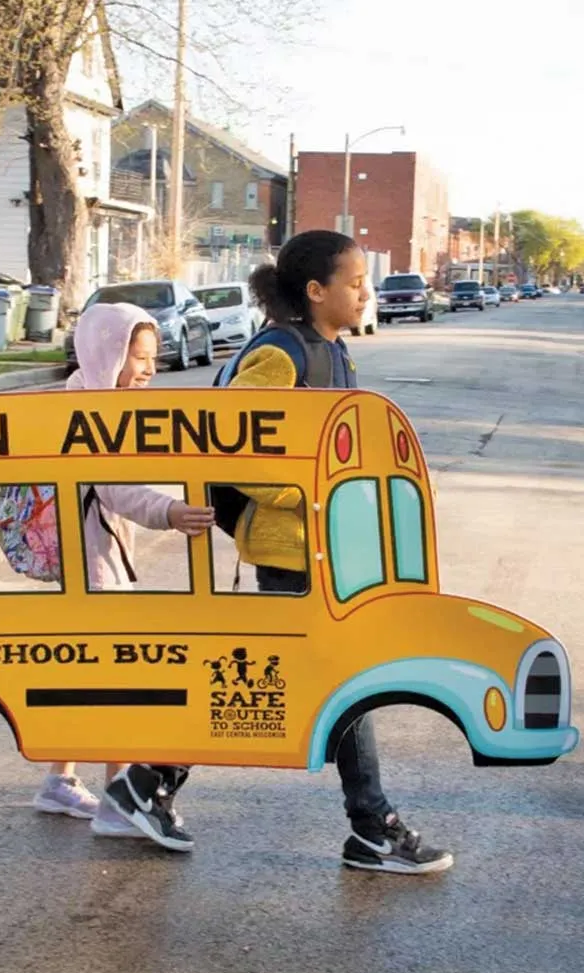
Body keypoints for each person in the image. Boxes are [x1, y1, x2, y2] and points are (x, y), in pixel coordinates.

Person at [214, 229, 453, 874]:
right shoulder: (285, 354)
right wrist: (308, 499)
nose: (366, 292)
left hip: (327, 552)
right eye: (354, 282)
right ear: (316, 291)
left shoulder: (332, 351)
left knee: (300, 681)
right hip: (293, 551)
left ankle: (148, 779)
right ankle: (373, 826)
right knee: (338, 685)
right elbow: (231, 448)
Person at [45, 302, 216, 850]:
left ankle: (58, 780)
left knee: (81, 680)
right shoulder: (88, 415)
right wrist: (171, 511)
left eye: (152, 358)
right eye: (137, 357)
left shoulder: (82, 394)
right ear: (106, 353)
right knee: (117, 685)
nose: (148, 368)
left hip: (85, 559)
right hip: (95, 566)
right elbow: (116, 489)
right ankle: (119, 798)